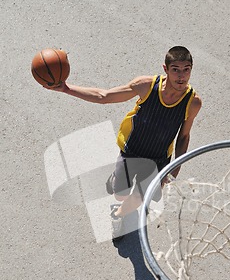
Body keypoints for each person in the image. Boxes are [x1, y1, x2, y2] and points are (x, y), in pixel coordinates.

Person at [47, 46, 202, 241]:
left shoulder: (192, 102)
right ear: (165, 69)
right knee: (121, 194)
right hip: (132, 150)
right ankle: (115, 181)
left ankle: (118, 215)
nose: (181, 76)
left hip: (158, 158)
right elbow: (104, 96)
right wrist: (66, 89)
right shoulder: (146, 86)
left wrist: (174, 169)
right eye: (175, 70)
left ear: (191, 69)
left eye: (186, 69)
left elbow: (184, 137)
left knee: (141, 198)